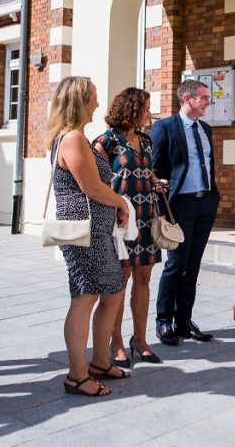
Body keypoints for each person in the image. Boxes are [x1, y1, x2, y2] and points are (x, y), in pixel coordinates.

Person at [47, 76, 132, 397]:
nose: (98, 103)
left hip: (97, 230)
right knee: (84, 298)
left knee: (110, 293)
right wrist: (122, 202)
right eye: (94, 97)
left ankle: (99, 362)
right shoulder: (71, 139)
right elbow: (91, 187)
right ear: (79, 101)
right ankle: (77, 375)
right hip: (83, 231)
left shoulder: (76, 137)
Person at [94, 87, 163, 367]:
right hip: (121, 219)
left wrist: (156, 180)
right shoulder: (105, 141)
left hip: (147, 215)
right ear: (132, 109)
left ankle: (140, 340)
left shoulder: (146, 140)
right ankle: (117, 342)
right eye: (146, 107)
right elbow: (95, 181)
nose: (149, 113)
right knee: (120, 281)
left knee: (144, 277)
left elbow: (145, 170)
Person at [152, 79, 221, 346]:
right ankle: (163, 321)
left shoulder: (205, 129)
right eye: (203, 97)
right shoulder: (165, 127)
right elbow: (156, 168)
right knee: (176, 264)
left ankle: (184, 320)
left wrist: (214, 197)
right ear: (187, 99)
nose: (207, 102)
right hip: (179, 204)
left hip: (205, 203)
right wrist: (162, 208)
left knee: (192, 266)